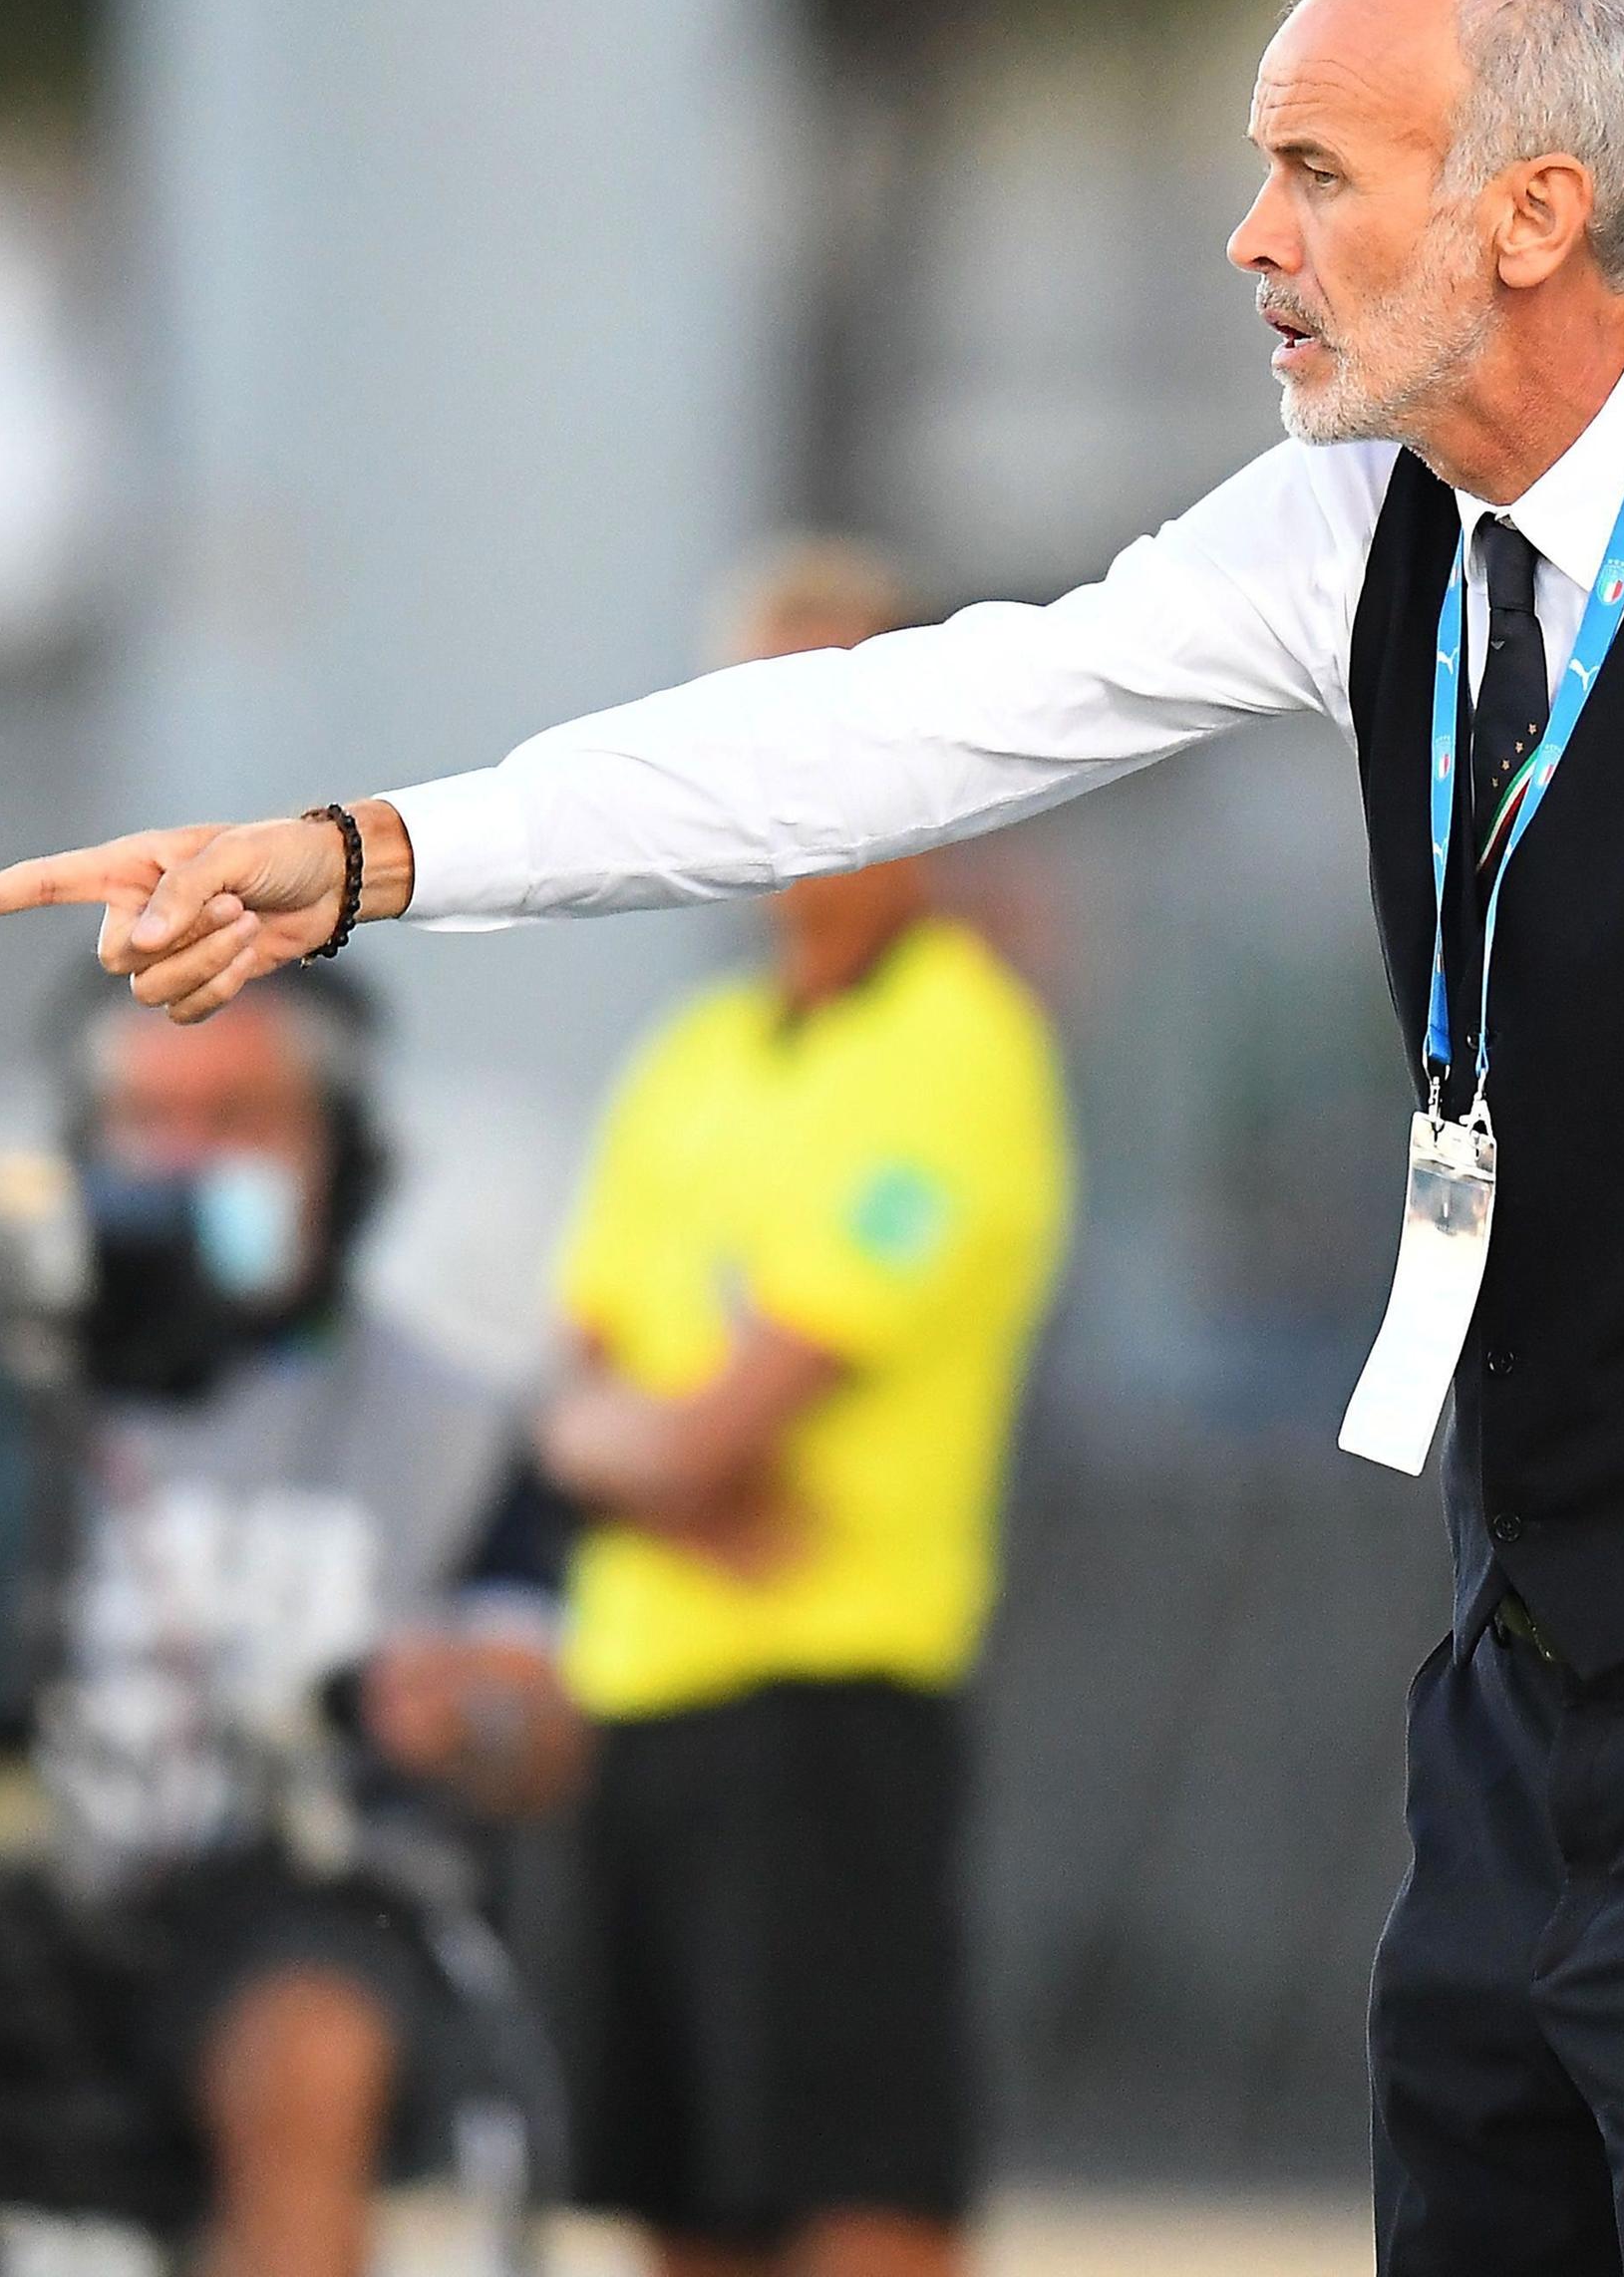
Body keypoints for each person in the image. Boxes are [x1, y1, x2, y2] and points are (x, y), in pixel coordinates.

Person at [0, 0, 1624, 2272]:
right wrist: (370, 854)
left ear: (1534, 211)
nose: (1252, 237)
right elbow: (887, 728)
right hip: (1525, 1675)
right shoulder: (1363, 527)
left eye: (1316, 172)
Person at [0, 969, 577, 2277]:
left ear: (340, 1153)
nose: (184, 1165)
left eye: (237, 1119)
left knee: (307, 2047)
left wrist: (470, 1711)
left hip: (270, 1898)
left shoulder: (451, 1422)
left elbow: (534, 1722)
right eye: (150, 1120)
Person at [532, 547, 1075, 2277]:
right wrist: (667, 1462)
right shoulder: (687, 1060)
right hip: (643, 1698)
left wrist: (655, 1452)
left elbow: (670, 1426)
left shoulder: (957, 1046)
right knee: (682, 2202)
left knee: (859, 2189)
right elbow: (573, 1413)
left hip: (831, 1697)